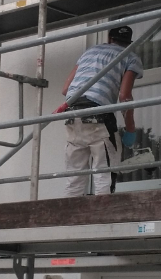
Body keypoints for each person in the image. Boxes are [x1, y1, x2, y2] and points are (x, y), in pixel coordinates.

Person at [60, 25, 142, 196]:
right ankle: (103, 220)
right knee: (104, 173)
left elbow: (65, 89)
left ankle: (69, 220)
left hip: (72, 114)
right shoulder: (131, 57)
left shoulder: (90, 52)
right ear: (128, 43)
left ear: (109, 38)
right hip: (99, 116)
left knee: (74, 178)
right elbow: (125, 96)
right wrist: (130, 129)